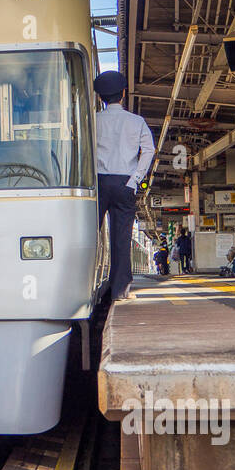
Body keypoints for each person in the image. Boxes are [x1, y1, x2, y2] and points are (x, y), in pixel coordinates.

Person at [94, 70, 154, 302]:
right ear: (124, 94)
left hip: (98, 183)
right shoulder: (136, 121)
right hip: (124, 184)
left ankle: (84, 282)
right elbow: (149, 150)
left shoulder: (93, 121)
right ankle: (120, 291)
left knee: (90, 236)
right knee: (121, 237)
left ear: (100, 98)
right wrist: (135, 180)